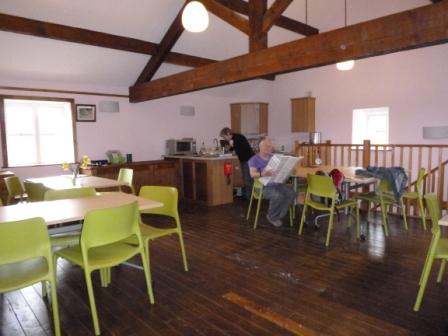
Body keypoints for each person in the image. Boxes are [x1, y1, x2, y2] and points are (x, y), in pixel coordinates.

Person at [248, 136, 296, 227]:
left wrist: (287, 170)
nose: (268, 148)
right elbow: (252, 174)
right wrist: (262, 173)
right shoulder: (254, 159)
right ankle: (272, 216)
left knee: (291, 193)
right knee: (278, 196)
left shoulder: (274, 157)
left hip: (277, 183)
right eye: (265, 146)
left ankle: (278, 215)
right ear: (259, 147)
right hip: (263, 187)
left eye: (269, 146)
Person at [220, 127, 255, 199]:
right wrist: (230, 148)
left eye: (224, 137)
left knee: (247, 178)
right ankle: (249, 195)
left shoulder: (238, 138)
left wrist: (231, 149)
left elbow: (240, 150)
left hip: (248, 160)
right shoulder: (234, 138)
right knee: (247, 178)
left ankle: (249, 197)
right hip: (245, 160)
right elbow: (235, 148)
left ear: (228, 134)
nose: (224, 139)